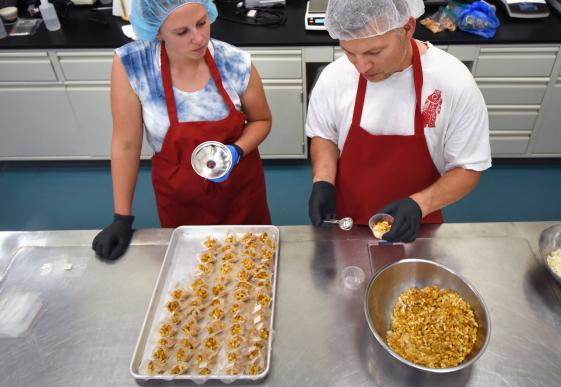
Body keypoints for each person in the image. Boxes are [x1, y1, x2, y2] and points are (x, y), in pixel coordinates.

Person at [93, 0, 272, 260]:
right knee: (192, 270)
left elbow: (261, 120)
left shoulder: (235, 62)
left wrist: (235, 151)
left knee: (249, 265)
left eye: (202, 22)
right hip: (179, 196)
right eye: (181, 32)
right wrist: (122, 216)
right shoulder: (134, 65)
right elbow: (125, 144)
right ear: (157, 32)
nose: (198, 38)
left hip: (239, 190)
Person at [306, 0, 491, 243]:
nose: (361, 66)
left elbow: (468, 167)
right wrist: (323, 180)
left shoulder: (453, 83)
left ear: (407, 28)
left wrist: (419, 205)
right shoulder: (335, 76)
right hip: (346, 221)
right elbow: (324, 134)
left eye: (374, 52)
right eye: (350, 52)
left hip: (417, 226)